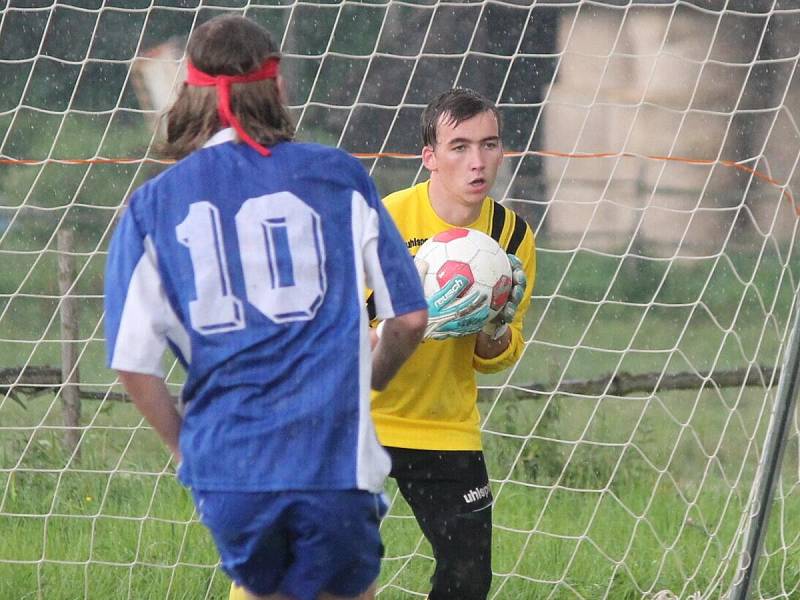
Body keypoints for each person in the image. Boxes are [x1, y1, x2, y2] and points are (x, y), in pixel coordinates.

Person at [103, 14, 428, 600]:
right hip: (332, 465)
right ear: (278, 89)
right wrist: (371, 382)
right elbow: (409, 319)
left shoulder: (151, 206)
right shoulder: (337, 176)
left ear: (188, 94)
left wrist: (186, 449)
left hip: (231, 474)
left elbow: (132, 362)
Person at [369, 88, 537, 599]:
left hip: (444, 424)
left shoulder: (511, 235)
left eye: (489, 145)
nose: (477, 161)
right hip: (361, 418)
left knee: (467, 578)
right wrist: (415, 322)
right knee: (336, 572)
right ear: (430, 158)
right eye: (459, 147)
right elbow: (338, 329)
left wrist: (493, 326)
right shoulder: (385, 219)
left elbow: (496, 358)